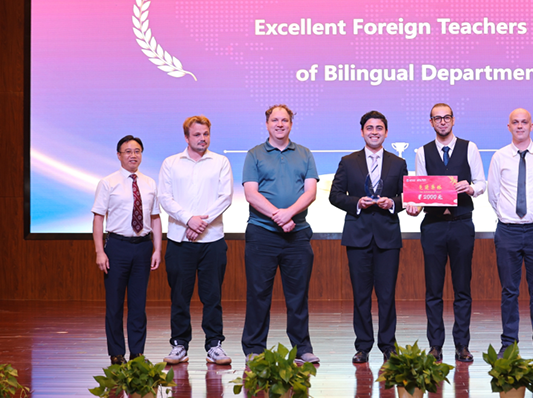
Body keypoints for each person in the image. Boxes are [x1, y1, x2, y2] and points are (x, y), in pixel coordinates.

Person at [406, 103, 486, 363]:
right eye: (437, 118)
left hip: (462, 223)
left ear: (453, 120)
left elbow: (482, 182)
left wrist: (471, 188)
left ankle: (462, 345)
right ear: (431, 122)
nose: (442, 122)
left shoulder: (469, 147)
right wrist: (415, 206)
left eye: (446, 117)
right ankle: (435, 345)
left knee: (462, 287)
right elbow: (420, 189)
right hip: (434, 225)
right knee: (433, 289)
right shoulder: (422, 152)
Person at [242, 105, 320, 364]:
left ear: (291, 124)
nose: (279, 124)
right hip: (261, 233)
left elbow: (310, 192)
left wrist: (289, 214)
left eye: (284, 120)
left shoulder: (304, 153)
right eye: (274, 120)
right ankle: (254, 349)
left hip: (297, 234)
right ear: (267, 124)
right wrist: (279, 216)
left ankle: (302, 348)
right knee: (258, 294)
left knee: (298, 295)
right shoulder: (254, 154)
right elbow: (251, 193)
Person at [330, 111, 408, 364]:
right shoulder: (348, 162)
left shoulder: (398, 163)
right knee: (361, 295)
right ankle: (363, 346)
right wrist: (357, 202)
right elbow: (335, 195)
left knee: (387, 295)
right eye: (370, 128)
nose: (374, 132)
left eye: (379, 128)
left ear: (386, 132)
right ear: (362, 131)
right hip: (358, 236)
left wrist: (392, 203)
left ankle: (388, 345)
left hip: (388, 236)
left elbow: (407, 196)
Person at [159, 116, 234, 365]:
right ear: (186, 137)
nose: (202, 139)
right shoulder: (171, 163)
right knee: (180, 296)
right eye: (197, 135)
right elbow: (165, 198)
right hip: (180, 240)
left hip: (212, 240)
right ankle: (179, 344)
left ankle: (214, 345)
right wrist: (188, 220)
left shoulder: (220, 162)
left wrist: (201, 222)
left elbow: (225, 197)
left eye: (206, 134)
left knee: (212, 296)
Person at [488, 108, 533, 362]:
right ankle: (509, 345)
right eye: (515, 122)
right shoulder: (499, 156)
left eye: (524, 122)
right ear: (508, 127)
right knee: (509, 291)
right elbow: (493, 194)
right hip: (508, 230)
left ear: (532, 126)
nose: (520, 126)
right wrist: (510, 215)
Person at [92, 135, 162, 365]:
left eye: (137, 151)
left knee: (138, 304)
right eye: (128, 151)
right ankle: (116, 353)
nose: (133, 155)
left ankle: (137, 353)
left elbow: (155, 218)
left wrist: (157, 249)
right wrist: (100, 251)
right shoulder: (108, 182)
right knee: (114, 304)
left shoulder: (150, 183)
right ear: (119, 155)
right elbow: (98, 218)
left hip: (143, 247)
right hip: (117, 247)